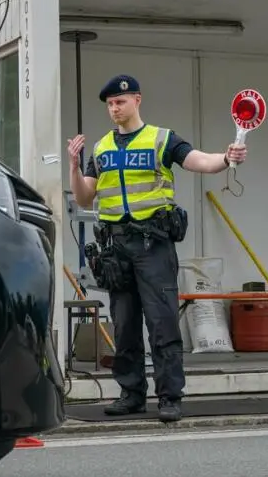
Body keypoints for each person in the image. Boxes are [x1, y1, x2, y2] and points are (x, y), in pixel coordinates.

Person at [67, 74, 247, 423]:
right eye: (109, 104)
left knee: (162, 323)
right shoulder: (103, 148)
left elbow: (199, 161)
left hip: (153, 244)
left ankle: (169, 396)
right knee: (124, 324)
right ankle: (131, 394)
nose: (113, 108)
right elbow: (84, 196)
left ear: (137, 100)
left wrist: (226, 157)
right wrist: (74, 168)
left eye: (119, 102)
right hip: (116, 248)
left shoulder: (161, 139)